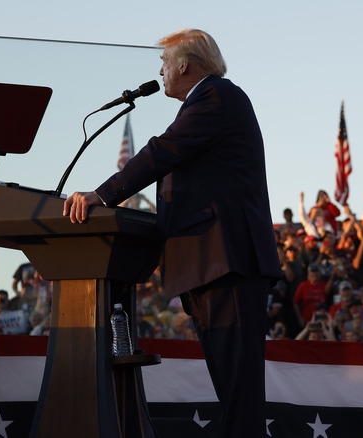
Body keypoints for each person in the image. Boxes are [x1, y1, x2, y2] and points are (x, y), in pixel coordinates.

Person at [62, 29, 281, 437]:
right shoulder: (206, 102)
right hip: (208, 266)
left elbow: (163, 152)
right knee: (234, 393)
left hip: (227, 263)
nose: (160, 72)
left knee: (240, 395)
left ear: (184, 65)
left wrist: (103, 195)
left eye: (164, 63)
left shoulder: (217, 96)